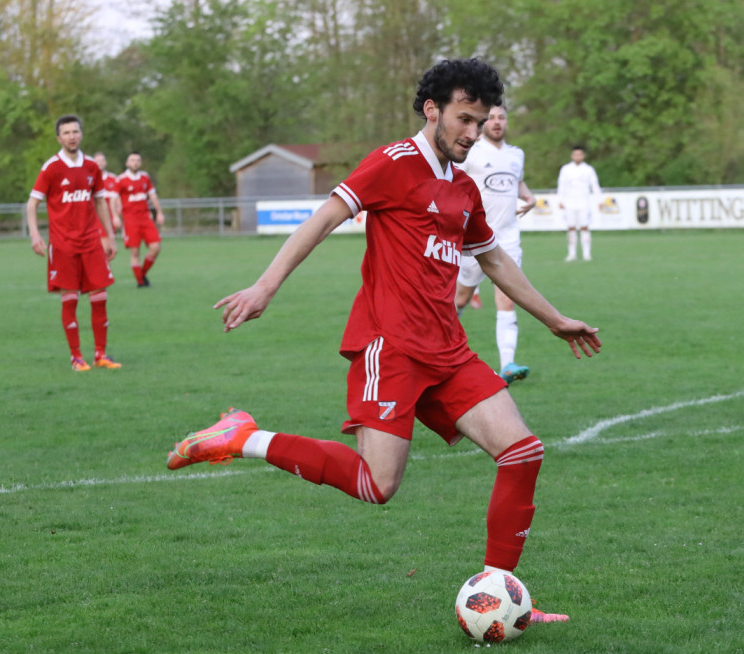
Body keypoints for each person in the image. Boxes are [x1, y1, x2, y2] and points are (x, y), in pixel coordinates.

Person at [165, 58, 601, 622]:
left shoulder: (463, 187)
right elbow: (322, 219)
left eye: (481, 121)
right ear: (432, 110)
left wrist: (554, 318)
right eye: (464, 120)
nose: (473, 133)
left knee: (522, 452)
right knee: (376, 485)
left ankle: (503, 597)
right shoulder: (392, 164)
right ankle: (241, 436)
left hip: (449, 348)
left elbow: (492, 258)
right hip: (390, 347)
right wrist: (265, 287)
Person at [26, 115, 121, 372]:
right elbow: (32, 203)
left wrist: (109, 235)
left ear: (81, 134)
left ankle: (101, 354)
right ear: (59, 138)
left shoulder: (91, 166)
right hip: (63, 244)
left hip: (91, 242)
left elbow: (100, 201)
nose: (71, 136)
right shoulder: (51, 168)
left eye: (75, 131)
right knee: (70, 299)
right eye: (66, 132)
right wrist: (35, 235)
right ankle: (76, 357)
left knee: (100, 297)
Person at [454, 104, 536, 385]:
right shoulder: (472, 152)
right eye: (492, 118)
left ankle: (507, 364)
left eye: (502, 118)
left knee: (507, 297)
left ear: (507, 122)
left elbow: (518, 184)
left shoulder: (516, 155)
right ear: (484, 123)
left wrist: (530, 198)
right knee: (461, 298)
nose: (497, 122)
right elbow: (451, 180)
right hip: (474, 238)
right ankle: (435, 346)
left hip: (508, 238)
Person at [114, 152, 165, 287]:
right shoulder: (121, 179)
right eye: (132, 160)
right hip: (130, 220)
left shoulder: (145, 177)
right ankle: (141, 282)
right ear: (127, 163)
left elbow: (153, 195)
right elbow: (113, 198)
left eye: (137, 160)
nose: (135, 162)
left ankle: (141, 274)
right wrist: (114, 216)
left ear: (140, 163)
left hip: (146, 218)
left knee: (156, 247)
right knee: (135, 252)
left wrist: (159, 212)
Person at [557, 145, 601, 261]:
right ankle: (572, 254)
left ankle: (587, 253)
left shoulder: (588, 169)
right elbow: (561, 185)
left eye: (580, 154)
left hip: (584, 203)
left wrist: (599, 200)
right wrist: (560, 200)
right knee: (571, 227)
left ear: (583, 156)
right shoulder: (566, 169)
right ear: (572, 156)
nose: (577, 157)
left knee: (585, 227)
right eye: (575, 154)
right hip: (570, 203)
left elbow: (594, 185)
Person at [92, 152, 121, 241]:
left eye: (102, 160)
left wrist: (116, 216)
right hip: (94, 217)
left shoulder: (113, 178)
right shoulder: (90, 178)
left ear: (106, 162)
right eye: (97, 161)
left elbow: (117, 198)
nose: (100, 163)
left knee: (110, 248)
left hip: (109, 216)